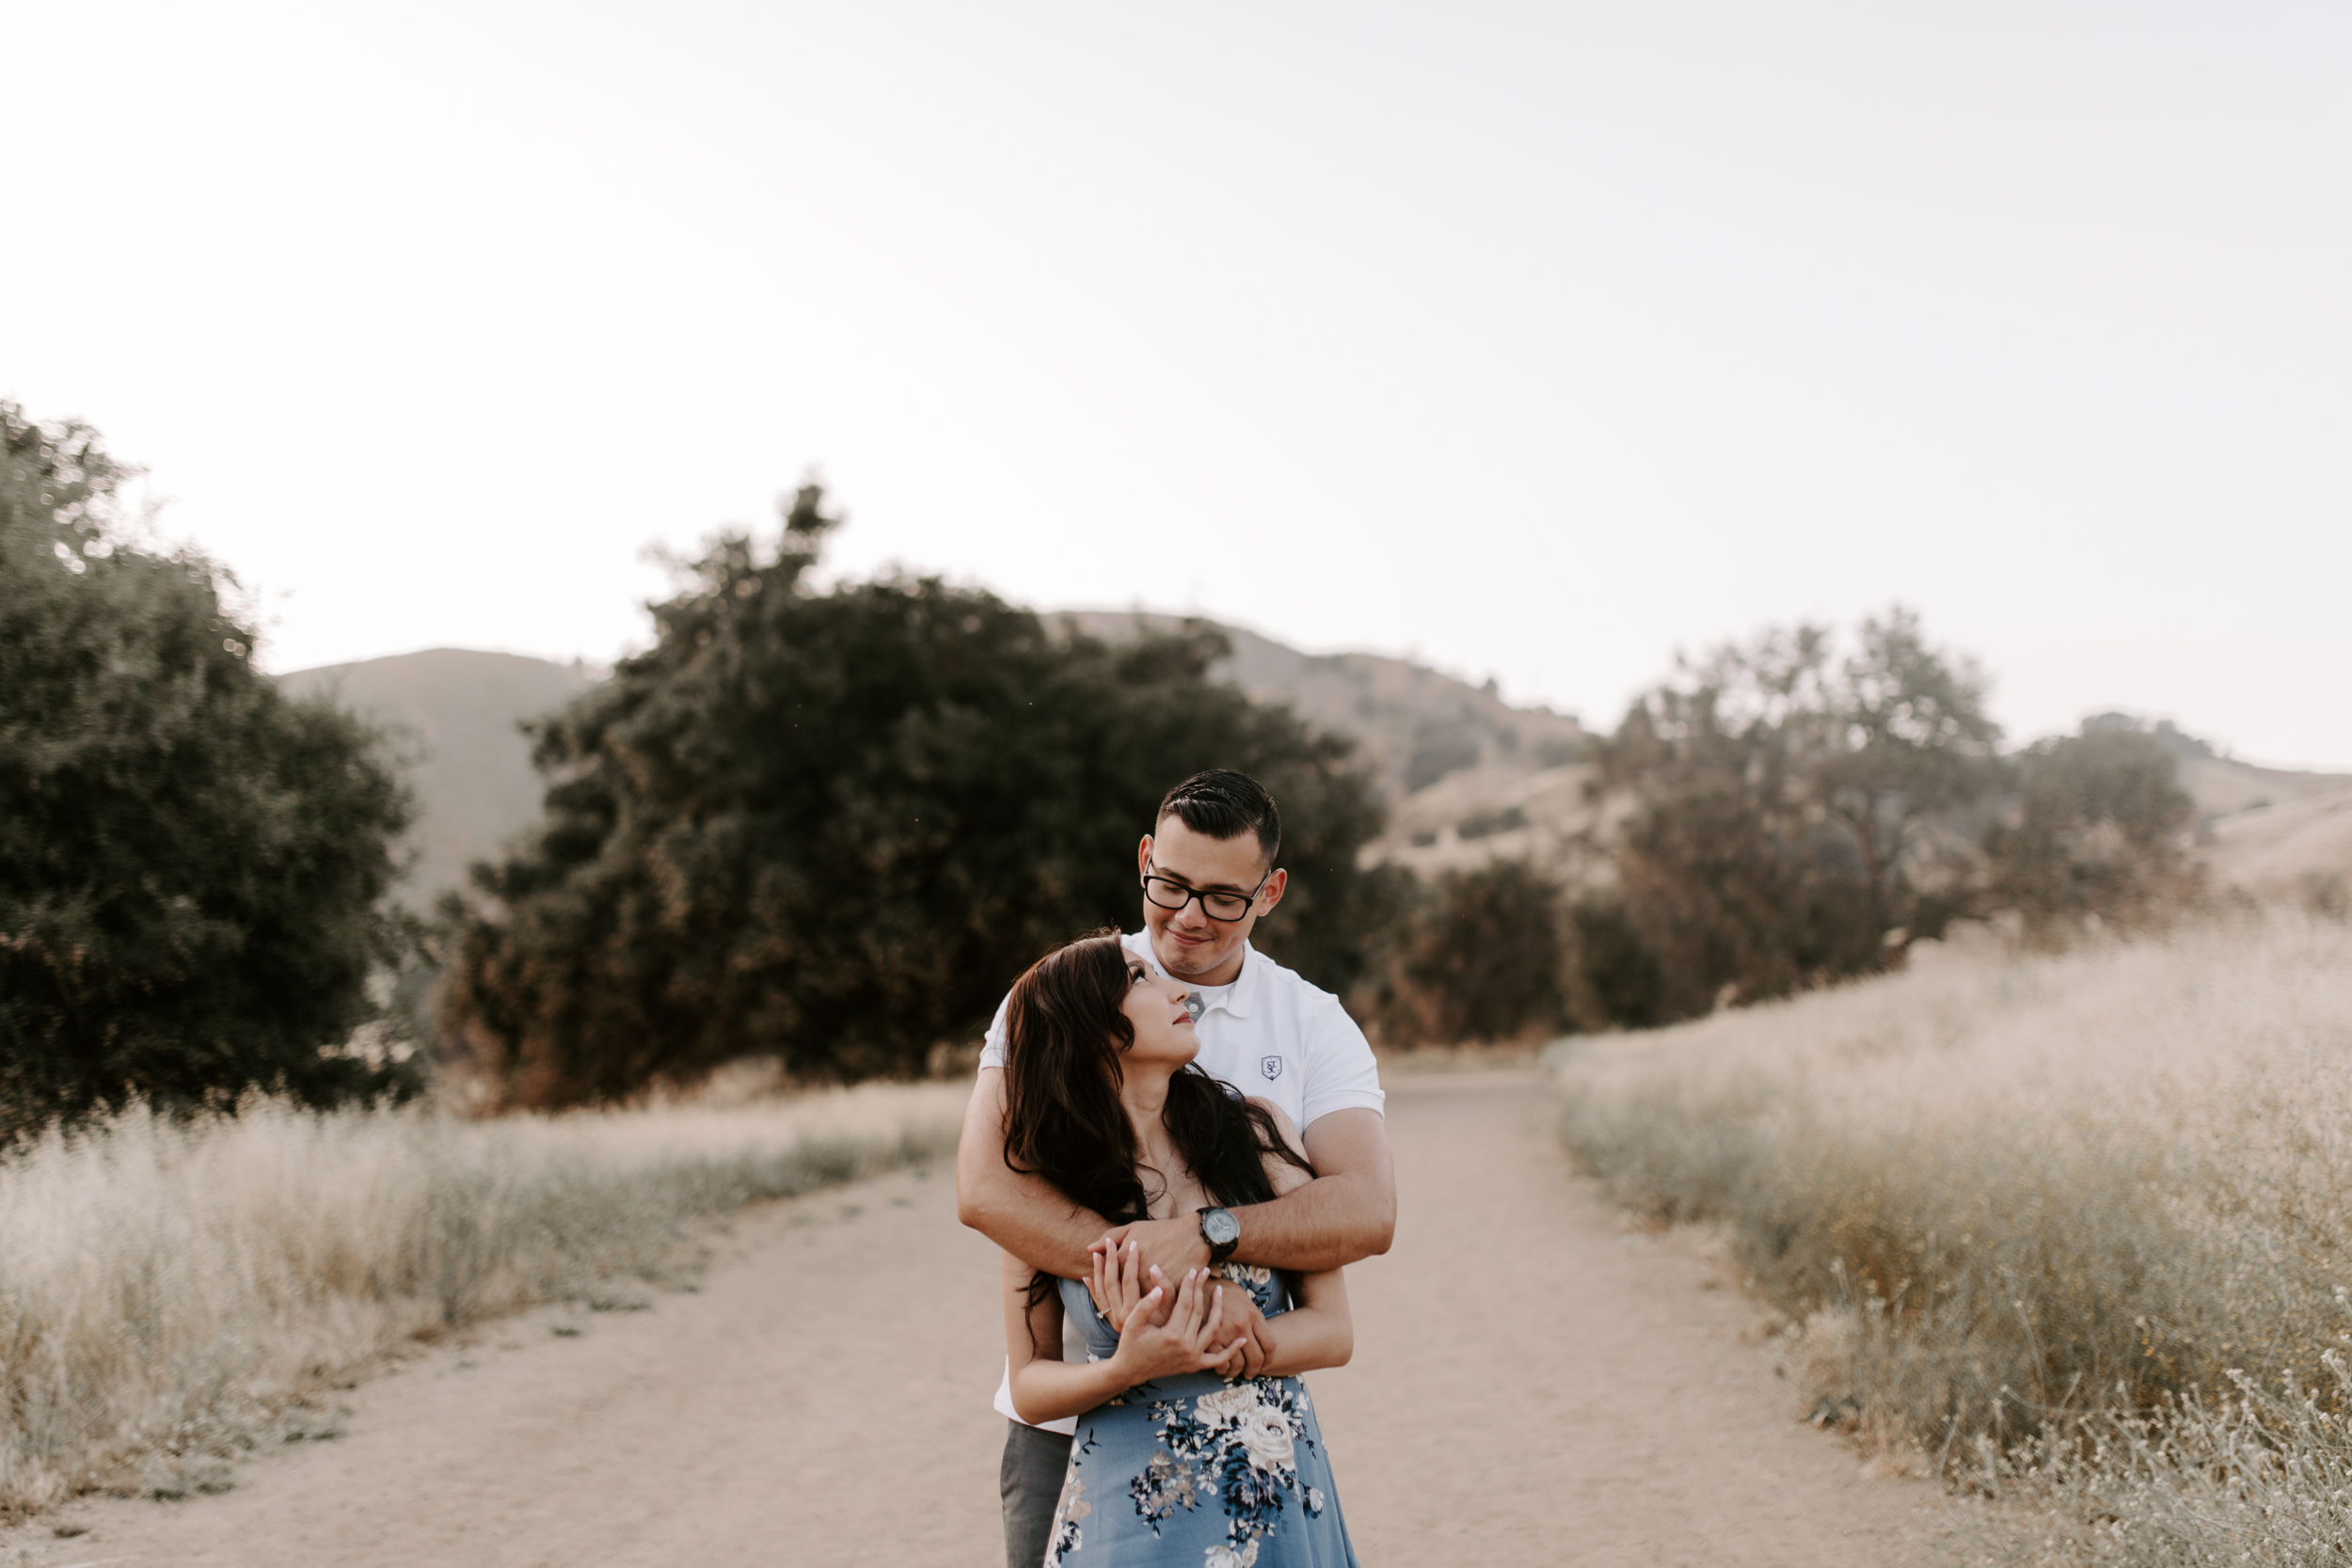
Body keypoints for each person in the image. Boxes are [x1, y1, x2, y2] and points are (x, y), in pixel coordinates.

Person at [959, 769, 1395, 1568]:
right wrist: (1148, 1302)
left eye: (1223, 896)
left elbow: (1366, 1212)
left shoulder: (1309, 1024)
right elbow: (987, 1190)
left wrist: (1205, 1241)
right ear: (1144, 858)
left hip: (1250, 1449)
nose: (1189, 917)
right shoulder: (1062, 996)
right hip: (1073, 1440)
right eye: (1171, 884)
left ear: (1271, 891)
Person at [996, 932, 1359, 1566]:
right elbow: (1028, 1382)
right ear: (1092, 1026)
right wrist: (1123, 1368)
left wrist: (1226, 1336)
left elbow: (1334, 1330)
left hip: (1270, 1486)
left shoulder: (1254, 1131)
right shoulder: (1043, 1189)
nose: (1179, 988)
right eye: (1140, 978)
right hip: (1129, 1511)